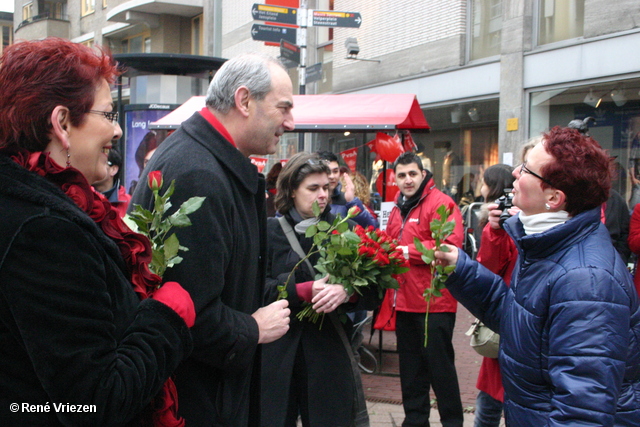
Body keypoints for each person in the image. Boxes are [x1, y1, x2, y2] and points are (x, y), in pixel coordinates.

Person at [0, 37, 195, 425]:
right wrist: (166, 318)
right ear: (61, 123)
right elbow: (92, 402)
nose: (118, 131)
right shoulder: (44, 231)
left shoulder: (32, 205)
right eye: (107, 115)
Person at [434, 126, 640, 426]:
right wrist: (463, 271)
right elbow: (523, 318)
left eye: (528, 169)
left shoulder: (587, 282)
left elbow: (581, 414)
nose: (515, 172)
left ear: (554, 198)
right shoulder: (548, 243)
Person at [130, 52, 293, 426]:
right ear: (244, 101)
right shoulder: (198, 173)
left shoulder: (205, 161)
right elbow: (187, 313)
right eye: (283, 107)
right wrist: (253, 328)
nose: (290, 121)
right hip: (198, 402)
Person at [261, 152, 375, 427]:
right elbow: (257, 291)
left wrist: (347, 291)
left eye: (326, 187)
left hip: (329, 351)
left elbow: (374, 289)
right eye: (313, 188)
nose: (322, 195)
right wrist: (302, 290)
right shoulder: (268, 232)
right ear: (291, 190)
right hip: (279, 354)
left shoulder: (344, 229)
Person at [385, 151, 465, 427]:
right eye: (402, 175)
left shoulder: (442, 203)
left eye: (412, 174)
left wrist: (406, 252)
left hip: (435, 304)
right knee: (410, 372)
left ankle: (453, 422)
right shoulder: (398, 207)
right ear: (395, 178)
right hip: (405, 302)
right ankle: (415, 421)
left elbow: (449, 248)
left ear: (423, 174)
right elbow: (388, 244)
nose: (407, 180)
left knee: (440, 370)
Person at [472, 164, 518, 427]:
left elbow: (488, 270)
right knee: (489, 402)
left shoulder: (509, 224)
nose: (480, 188)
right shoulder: (494, 224)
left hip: (511, 319)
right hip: (506, 317)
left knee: (491, 406)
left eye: (484, 183)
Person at [317, 151, 379, 228]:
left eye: (335, 171)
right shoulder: (309, 198)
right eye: (328, 172)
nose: (332, 176)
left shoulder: (346, 200)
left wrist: (352, 202)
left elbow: (371, 228)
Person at [92, 148, 131, 217]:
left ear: (113, 170)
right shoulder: (81, 199)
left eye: (99, 162)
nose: (92, 167)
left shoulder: (129, 203)